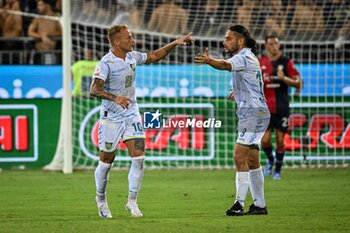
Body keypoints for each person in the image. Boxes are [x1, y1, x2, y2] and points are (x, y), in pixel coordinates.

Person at [90, 24, 193, 219]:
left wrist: (175, 43)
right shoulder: (106, 63)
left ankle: (132, 201)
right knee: (106, 161)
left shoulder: (132, 57)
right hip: (111, 118)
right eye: (129, 37)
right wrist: (115, 98)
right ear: (117, 42)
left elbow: (154, 56)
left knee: (139, 157)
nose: (133, 40)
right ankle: (101, 199)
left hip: (131, 114)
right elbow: (94, 90)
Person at [195, 25, 270, 216]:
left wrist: (209, 60)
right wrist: (237, 92)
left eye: (228, 38)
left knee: (239, 156)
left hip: (253, 114)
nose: (224, 42)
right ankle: (260, 206)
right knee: (252, 160)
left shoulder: (243, 56)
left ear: (240, 41)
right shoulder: (247, 56)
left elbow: (225, 65)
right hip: (254, 112)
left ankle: (239, 203)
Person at [259, 35, 302, 180]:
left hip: (282, 107)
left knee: (280, 140)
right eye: (270, 44)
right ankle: (270, 160)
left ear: (279, 45)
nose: (274, 46)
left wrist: (284, 79)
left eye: (276, 44)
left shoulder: (286, 62)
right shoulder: (260, 62)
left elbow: (298, 83)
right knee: (264, 140)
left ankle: (277, 170)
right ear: (265, 46)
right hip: (264, 108)